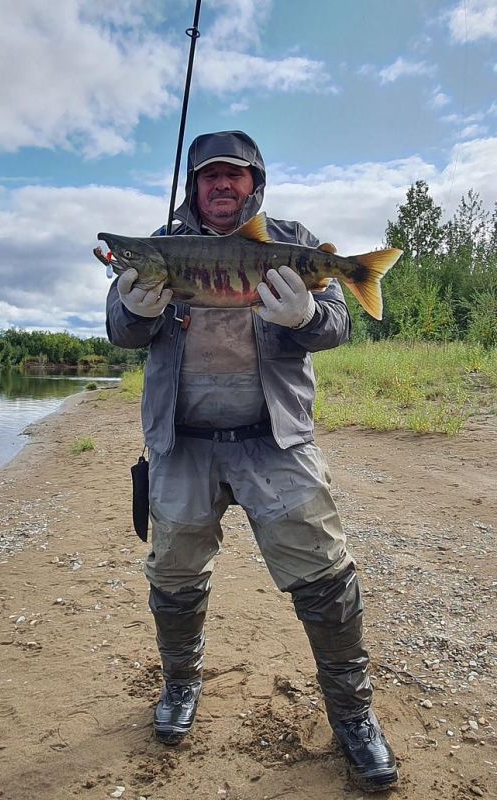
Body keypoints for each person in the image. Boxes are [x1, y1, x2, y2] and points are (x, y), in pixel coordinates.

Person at [105, 130, 398, 791]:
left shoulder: (291, 241)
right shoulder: (159, 248)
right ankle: (180, 684)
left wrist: (306, 316)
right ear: (194, 186)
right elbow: (121, 332)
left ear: (253, 184)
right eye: (209, 175)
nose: (221, 184)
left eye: (234, 175)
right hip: (182, 442)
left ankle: (354, 716)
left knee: (325, 578)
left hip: (276, 440)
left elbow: (337, 326)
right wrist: (133, 309)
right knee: (174, 578)